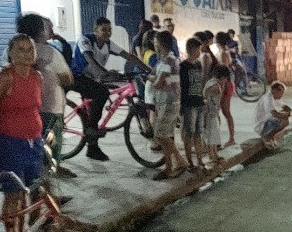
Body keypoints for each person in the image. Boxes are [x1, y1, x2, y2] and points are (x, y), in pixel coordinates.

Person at [0, 34, 44, 232]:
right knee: (13, 194)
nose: (27, 54)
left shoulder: (37, 76)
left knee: (35, 188)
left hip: (34, 141)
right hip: (8, 142)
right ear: (10, 52)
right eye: (21, 49)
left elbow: (34, 108)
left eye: (30, 49)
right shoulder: (5, 77)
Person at [72, 17, 147, 161]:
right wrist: (104, 73)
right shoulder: (85, 40)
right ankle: (91, 134)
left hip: (93, 79)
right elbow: (89, 59)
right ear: (96, 30)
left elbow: (129, 56)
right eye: (104, 29)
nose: (107, 32)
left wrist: (147, 69)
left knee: (96, 108)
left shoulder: (108, 44)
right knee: (101, 94)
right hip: (78, 77)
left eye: (109, 30)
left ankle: (92, 145)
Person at [17, 14, 76, 179]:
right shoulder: (50, 52)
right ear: (40, 31)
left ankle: (35, 177)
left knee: (31, 145)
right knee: (51, 145)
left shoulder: (11, 50)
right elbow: (67, 79)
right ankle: (49, 178)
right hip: (50, 107)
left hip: (25, 108)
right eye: (46, 27)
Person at [151, 31, 186, 180]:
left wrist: (150, 79)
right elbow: (157, 78)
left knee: (160, 135)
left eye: (155, 42)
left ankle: (179, 161)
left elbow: (158, 83)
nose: (154, 44)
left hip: (169, 102)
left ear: (160, 43)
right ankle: (169, 166)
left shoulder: (168, 61)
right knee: (165, 135)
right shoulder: (164, 60)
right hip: (165, 101)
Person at [180, 37, 207, 171]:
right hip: (189, 104)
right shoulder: (183, 66)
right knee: (189, 133)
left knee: (198, 133)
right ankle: (190, 162)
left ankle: (200, 160)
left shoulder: (198, 64)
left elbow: (200, 83)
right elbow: (182, 87)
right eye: (198, 49)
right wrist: (181, 106)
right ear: (191, 49)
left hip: (198, 102)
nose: (199, 52)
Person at [202, 64, 229, 169]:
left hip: (212, 112)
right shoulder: (214, 86)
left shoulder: (213, 83)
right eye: (225, 78)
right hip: (209, 113)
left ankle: (214, 154)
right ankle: (212, 155)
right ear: (222, 76)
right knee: (211, 135)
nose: (226, 80)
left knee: (214, 134)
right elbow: (204, 96)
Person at [255, 82, 292, 149]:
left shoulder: (273, 96)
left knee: (284, 114)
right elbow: (274, 114)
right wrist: (290, 114)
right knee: (284, 120)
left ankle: (271, 136)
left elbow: (284, 106)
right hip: (261, 125)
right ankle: (266, 136)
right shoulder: (267, 99)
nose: (282, 95)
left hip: (267, 120)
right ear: (275, 91)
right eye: (281, 93)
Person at [214, 31, 236, 147]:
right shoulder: (224, 52)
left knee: (225, 112)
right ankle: (229, 138)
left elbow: (223, 71)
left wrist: (221, 88)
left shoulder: (223, 53)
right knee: (224, 112)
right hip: (226, 83)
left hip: (225, 84)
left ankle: (231, 138)